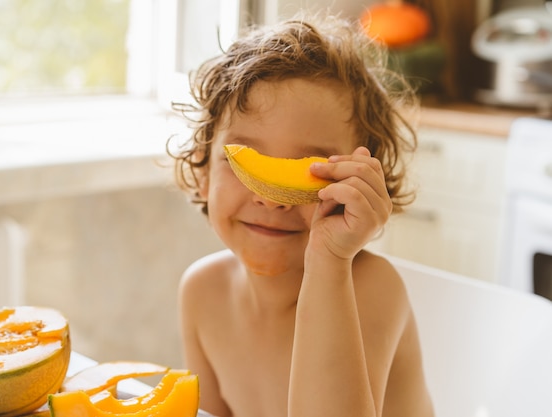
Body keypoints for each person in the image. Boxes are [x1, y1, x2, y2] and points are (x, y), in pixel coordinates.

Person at [168, 12, 434, 417]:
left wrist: (329, 262)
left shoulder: (372, 289)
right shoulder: (202, 291)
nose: (272, 199)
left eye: (311, 167)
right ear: (203, 172)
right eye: (247, 164)